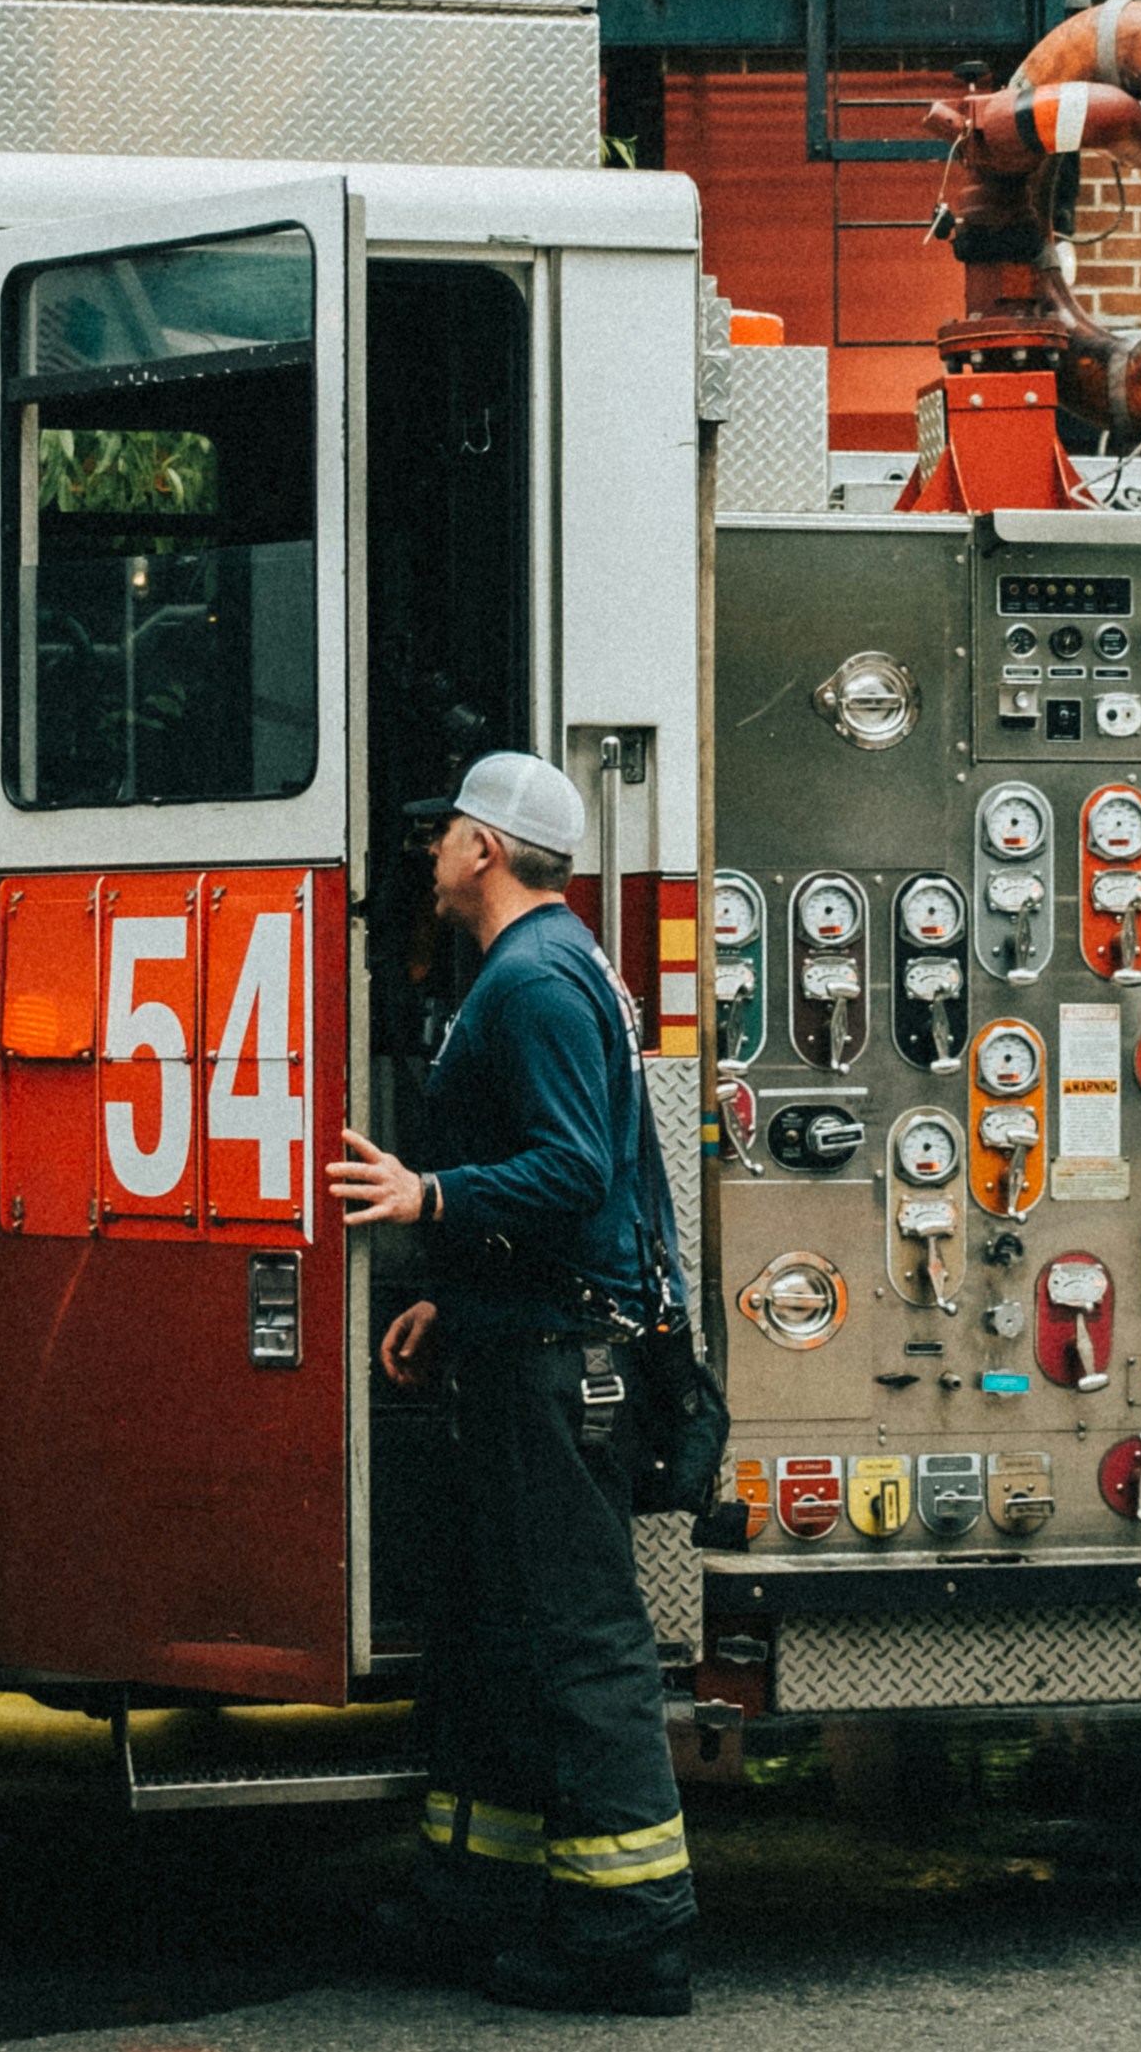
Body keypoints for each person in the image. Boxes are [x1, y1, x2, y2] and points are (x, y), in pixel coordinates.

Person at [325, 750, 697, 2019]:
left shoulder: (531, 980)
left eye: (445, 833)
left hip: (554, 1369)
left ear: (484, 850)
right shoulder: (562, 962)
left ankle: (631, 1937)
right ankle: (470, 1898)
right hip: (522, 1343)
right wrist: (458, 1300)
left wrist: (429, 1197)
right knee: (488, 1637)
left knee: (582, 1647)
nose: (428, 852)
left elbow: (576, 1173)